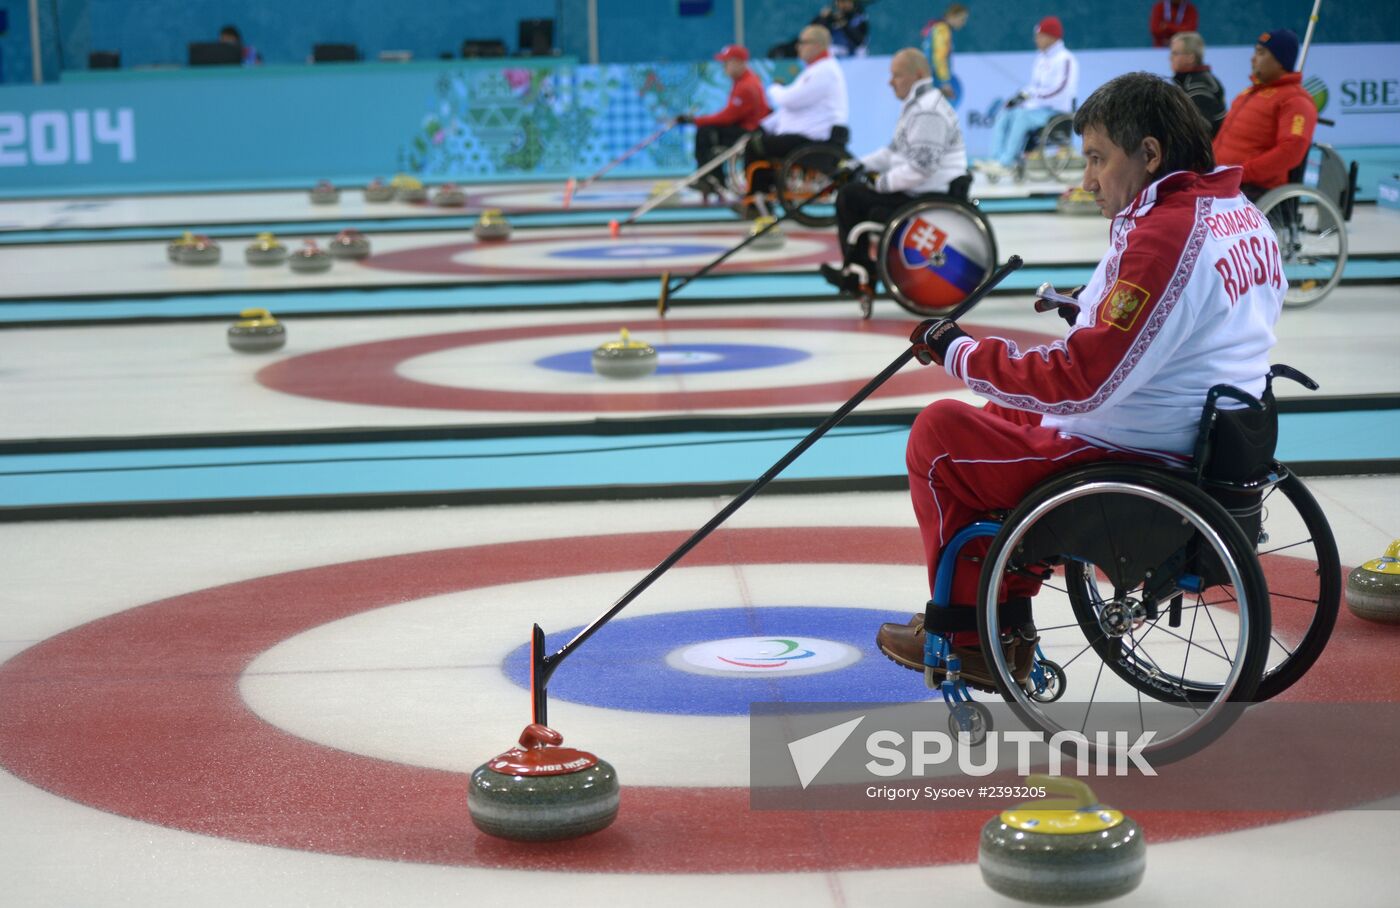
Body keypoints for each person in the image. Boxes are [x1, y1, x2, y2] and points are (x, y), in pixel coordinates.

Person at [880, 72, 1285, 688]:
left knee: (941, 435)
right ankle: (1007, 620)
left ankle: (968, 634)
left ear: (1149, 153)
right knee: (1001, 419)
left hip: (1133, 443)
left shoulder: (1166, 234)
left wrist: (960, 350)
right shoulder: (1235, 211)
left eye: (1097, 159)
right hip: (1202, 426)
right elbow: (1195, 323)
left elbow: (1083, 381)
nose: (1087, 179)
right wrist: (1095, 308)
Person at [818, 48, 968, 299]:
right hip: (920, 188)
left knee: (850, 197)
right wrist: (857, 166)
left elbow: (922, 168)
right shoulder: (917, 105)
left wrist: (880, 183)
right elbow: (891, 153)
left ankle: (857, 274)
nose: (890, 82)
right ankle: (858, 272)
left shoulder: (927, 111)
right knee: (852, 192)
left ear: (917, 75)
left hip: (929, 193)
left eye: (896, 75)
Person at [743, 24, 850, 215]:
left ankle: (757, 197)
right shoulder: (814, 70)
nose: (798, 47)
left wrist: (774, 88)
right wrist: (764, 125)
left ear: (818, 45)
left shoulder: (825, 71)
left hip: (813, 139)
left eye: (802, 43)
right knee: (755, 140)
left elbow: (789, 100)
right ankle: (759, 195)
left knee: (755, 146)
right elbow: (788, 109)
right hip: (803, 135)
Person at [1213, 28, 1318, 198]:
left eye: (1261, 53)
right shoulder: (1249, 93)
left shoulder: (1296, 101)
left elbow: (1290, 152)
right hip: (1221, 180)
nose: (1253, 59)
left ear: (1280, 61)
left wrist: (1241, 173)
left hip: (1252, 189)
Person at [976, 17, 1078, 179]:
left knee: (1021, 117)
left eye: (1040, 36)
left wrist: (1034, 98)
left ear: (1051, 37)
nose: (1036, 39)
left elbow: (1061, 90)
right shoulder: (1041, 58)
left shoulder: (1065, 59)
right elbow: (1033, 86)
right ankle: (995, 159)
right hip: (1036, 108)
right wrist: (1019, 97)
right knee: (1006, 112)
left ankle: (1006, 163)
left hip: (1056, 110)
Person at [677, 45, 772, 195]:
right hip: (747, 128)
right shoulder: (743, 81)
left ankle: (711, 177)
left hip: (750, 133)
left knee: (705, 132)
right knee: (708, 131)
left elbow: (727, 117)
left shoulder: (746, 86)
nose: (724, 67)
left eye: (726, 63)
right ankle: (712, 176)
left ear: (738, 62)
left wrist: (695, 121)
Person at [1169, 31, 1226, 137]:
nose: (1170, 58)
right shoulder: (1194, 81)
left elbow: (1201, 133)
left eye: (1175, 53)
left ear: (1190, 58)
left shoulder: (1198, 88)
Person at [920, 3, 970, 106]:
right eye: (962, 19)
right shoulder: (942, 30)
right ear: (952, 17)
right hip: (935, 78)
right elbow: (939, 58)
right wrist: (945, 83)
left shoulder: (937, 28)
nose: (963, 23)